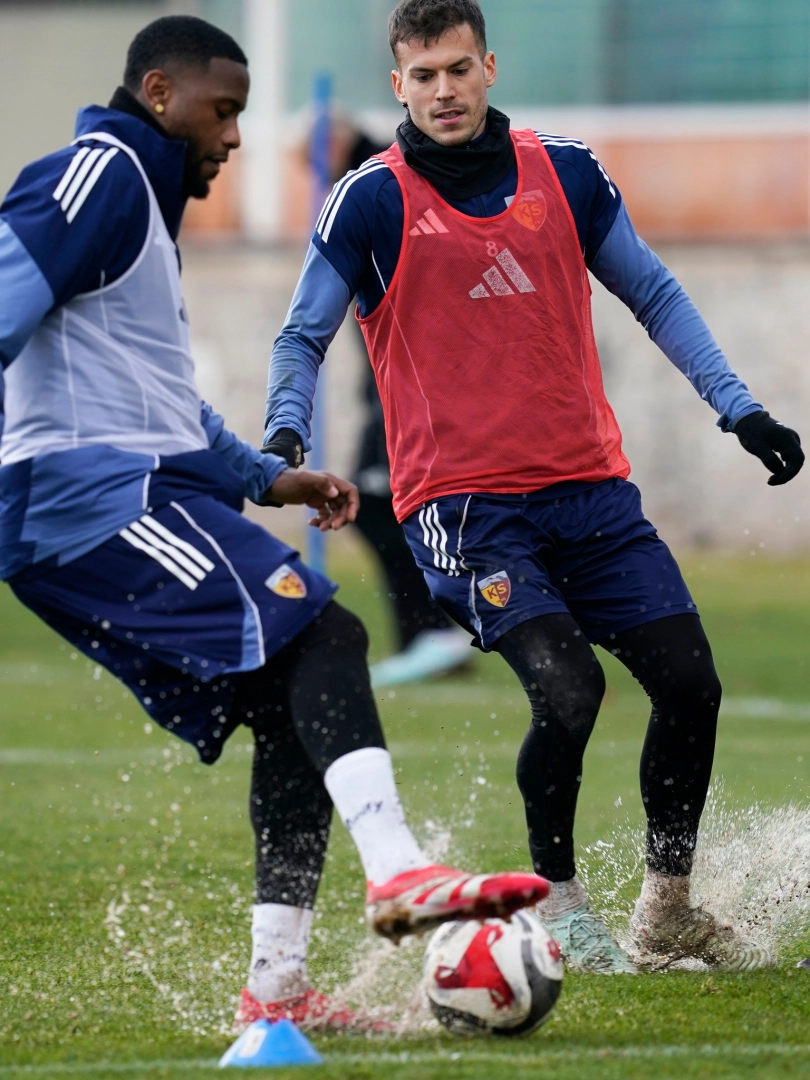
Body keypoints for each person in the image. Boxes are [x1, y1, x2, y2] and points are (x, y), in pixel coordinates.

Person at [0, 14, 548, 1032]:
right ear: (159, 94)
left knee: (294, 704)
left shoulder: (139, 204)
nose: (235, 136)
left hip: (127, 496)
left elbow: (157, 403)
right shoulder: (99, 174)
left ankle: (279, 992)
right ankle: (399, 871)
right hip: (91, 507)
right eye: (223, 111)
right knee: (324, 633)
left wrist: (263, 477)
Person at [264, 0, 804, 974]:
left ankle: (668, 911)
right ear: (398, 85)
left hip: (592, 492)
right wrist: (283, 437)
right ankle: (560, 904)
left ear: (489, 67)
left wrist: (740, 408)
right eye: (423, 75)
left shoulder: (568, 172)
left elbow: (654, 292)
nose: (443, 91)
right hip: (466, 509)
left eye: (458, 69)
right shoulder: (368, 200)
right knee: (570, 688)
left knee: (692, 687)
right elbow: (303, 335)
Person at [295, 112, 472, 687]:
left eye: (314, 159)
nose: (313, 173)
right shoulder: (366, 185)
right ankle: (440, 630)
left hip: (412, 386)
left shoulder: (376, 181)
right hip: (391, 385)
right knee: (386, 504)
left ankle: (435, 631)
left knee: (377, 503)